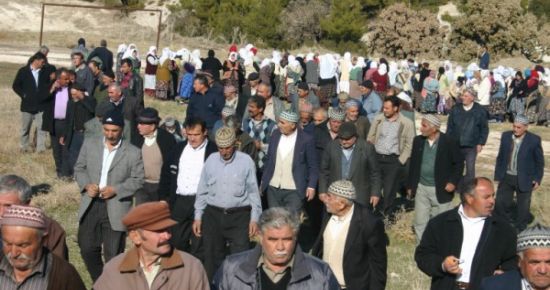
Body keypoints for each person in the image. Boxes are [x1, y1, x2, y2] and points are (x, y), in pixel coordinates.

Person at [74, 109, 144, 282]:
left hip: (116, 207)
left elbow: (138, 179)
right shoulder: (90, 144)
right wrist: (86, 185)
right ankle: (101, 283)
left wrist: (116, 189)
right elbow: (79, 168)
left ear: (122, 130)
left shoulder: (133, 152)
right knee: (87, 248)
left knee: (113, 255)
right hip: (91, 204)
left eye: (114, 131)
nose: (110, 134)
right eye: (106, 130)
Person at [415, 177, 518, 290]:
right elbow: (423, 255)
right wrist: (443, 265)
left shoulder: (502, 229)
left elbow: (513, 260)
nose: (492, 201)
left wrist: (505, 273)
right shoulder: (441, 223)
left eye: (493, 195)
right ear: (469, 198)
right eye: (486, 197)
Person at [212, 207, 341, 290]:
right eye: (273, 240)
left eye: (287, 239)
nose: (280, 247)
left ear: (295, 238)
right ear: (260, 238)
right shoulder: (231, 269)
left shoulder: (321, 274)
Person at [192, 127, 262, 278]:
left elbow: (253, 193)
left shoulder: (246, 162)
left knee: (241, 258)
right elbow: (202, 190)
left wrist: (254, 219)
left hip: (239, 217)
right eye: (220, 148)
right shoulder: (210, 160)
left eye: (227, 147)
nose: (224, 152)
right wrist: (198, 216)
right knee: (212, 257)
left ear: (235, 144)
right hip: (213, 216)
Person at [94, 201, 210, 290]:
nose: (167, 236)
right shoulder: (114, 270)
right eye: (159, 231)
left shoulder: (191, 268)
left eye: (168, 229)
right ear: (136, 237)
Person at [312, 180, 387, 290]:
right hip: (323, 284)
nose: (325, 200)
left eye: (329, 197)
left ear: (342, 204)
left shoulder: (369, 223)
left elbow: (378, 264)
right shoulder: (328, 212)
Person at [158, 117, 217, 253]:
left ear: (205, 132)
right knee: (176, 240)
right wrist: (163, 197)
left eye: (196, 134)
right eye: (189, 134)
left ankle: (197, 268)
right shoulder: (178, 149)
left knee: (199, 242)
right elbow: (166, 174)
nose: (192, 138)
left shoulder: (213, 151)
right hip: (180, 200)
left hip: (203, 201)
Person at [0, 205, 86, 289]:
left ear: (43, 240)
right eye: (8, 244)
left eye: (22, 245)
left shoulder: (64, 275)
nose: (14, 253)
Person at [407, 114, 464, 242]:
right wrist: (411, 185)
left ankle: (438, 247)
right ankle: (421, 247)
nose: (420, 128)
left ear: (434, 128)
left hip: (441, 188)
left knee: (441, 222)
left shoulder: (449, 142)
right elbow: (413, 165)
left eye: (424, 125)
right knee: (420, 221)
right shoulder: (418, 141)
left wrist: (453, 182)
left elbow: (459, 164)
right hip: (421, 187)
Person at [261, 111, 319, 213]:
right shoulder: (275, 135)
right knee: (275, 221)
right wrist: (263, 180)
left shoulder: (306, 139)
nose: (278, 125)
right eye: (279, 122)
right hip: (273, 187)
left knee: (291, 223)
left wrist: (311, 186)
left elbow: (313, 166)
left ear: (292, 125)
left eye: (282, 123)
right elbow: (269, 160)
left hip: (295, 189)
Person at [494, 115, 544, 232]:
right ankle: (502, 226)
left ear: (526, 127)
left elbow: (539, 162)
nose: (515, 129)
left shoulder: (534, 140)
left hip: (525, 178)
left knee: (523, 206)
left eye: (519, 127)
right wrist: (498, 174)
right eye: (514, 126)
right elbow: (500, 156)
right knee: (501, 203)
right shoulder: (506, 136)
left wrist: (537, 178)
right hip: (507, 176)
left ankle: (520, 228)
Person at [0, 175, 68, 260]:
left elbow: (58, 269)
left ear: (26, 203)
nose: (1, 212)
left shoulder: (49, 229)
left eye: (8, 206)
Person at [367, 96, 414, 217]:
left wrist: (400, 161)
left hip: (393, 160)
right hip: (377, 158)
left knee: (389, 191)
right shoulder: (378, 120)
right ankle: (371, 213)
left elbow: (409, 144)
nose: (385, 110)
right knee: (373, 188)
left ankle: (386, 217)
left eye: (387, 108)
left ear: (396, 108)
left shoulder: (407, 123)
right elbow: (370, 138)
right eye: (384, 107)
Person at [319, 122, 381, 208]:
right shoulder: (331, 146)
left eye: (347, 139)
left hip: (359, 196)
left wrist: (375, 193)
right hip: (336, 195)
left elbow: (375, 173)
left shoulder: (367, 148)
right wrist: (322, 191)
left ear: (355, 137)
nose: (344, 142)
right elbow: (324, 171)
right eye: (341, 138)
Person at [480, 224, 550, 290]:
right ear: (519, 261)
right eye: (535, 262)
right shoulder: (493, 287)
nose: (542, 270)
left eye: (549, 262)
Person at [447, 88, 489, 193]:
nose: (463, 98)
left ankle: (468, 191)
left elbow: (484, 128)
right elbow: (450, 127)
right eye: (462, 95)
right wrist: (448, 141)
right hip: (456, 144)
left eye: (465, 96)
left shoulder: (480, 111)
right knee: (456, 168)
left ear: (472, 98)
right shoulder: (455, 109)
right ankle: (457, 188)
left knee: (470, 170)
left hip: (471, 145)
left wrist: (480, 143)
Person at [135, 108, 176, 205]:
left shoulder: (167, 139)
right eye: (138, 123)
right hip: (142, 185)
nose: (138, 126)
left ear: (152, 126)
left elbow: (172, 164)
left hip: (160, 186)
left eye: (142, 124)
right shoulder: (136, 139)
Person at [12, 52, 51, 153]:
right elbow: (15, 86)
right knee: (25, 129)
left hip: (41, 106)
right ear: (36, 60)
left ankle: (40, 149)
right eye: (42, 62)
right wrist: (23, 95)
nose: (44, 64)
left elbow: (49, 84)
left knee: (42, 129)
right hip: (27, 106)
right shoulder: (23, 71)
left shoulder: (45, 72)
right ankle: (24, 147)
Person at [62, 83, 96, 177]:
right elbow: (68, 119)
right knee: (73, 155)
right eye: (71, 94)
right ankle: (75, 174)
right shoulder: (71, 102)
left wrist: (82, 99)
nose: (73, 96)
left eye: (75, 94)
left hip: (87, 134)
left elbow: (92, 110)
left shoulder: (90, 100)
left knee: (87, 155)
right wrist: (64, 135)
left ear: (80, 92)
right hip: (75, 133)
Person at [42, 68, 72, 179]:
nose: (68, 81)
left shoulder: (71, 89)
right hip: (53, 123)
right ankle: (59, 171)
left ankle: (66, 172)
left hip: (66, 123)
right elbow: (41, 100)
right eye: (65, 79)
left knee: (65, 148)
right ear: (58, 79)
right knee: (56, 149)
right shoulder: (51, 88)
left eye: (68, 78)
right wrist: (52, 89)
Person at [242, 96, 277, 173]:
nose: (249, 109)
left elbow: (275, 147)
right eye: (249, 106)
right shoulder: (245, 123)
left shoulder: (272, 125)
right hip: (247, 167)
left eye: (252, 107)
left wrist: (261, 146)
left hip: (265, 168)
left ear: (260, 109)